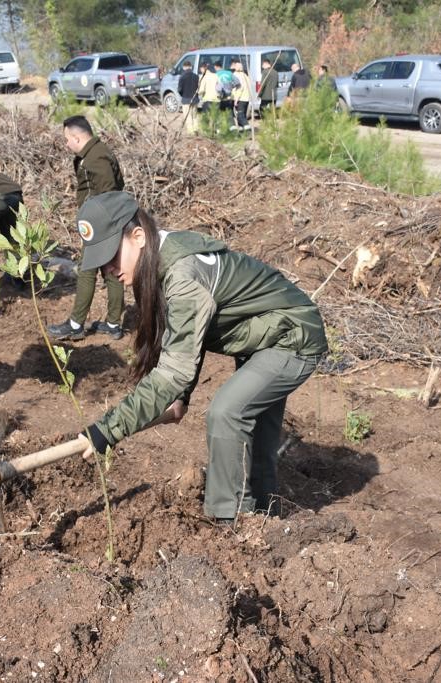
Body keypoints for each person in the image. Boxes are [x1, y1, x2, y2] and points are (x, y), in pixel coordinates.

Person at [73, 192, 327, 522]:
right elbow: (188, 336)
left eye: (111, 255)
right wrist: (180, 397)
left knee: (226, 413)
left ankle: (229, 523)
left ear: (137, 236)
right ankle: (265, 520)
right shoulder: (161, 263)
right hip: (263, 338)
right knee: (257, 443)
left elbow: (174, 369)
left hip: (291, 335)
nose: (108, 269)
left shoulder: (181, 274)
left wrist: (107, 430)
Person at [46, 116, 126, 341]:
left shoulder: (95, 158)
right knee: (112, 271)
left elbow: (108, 193)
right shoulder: (96, 153)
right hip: (107, 222)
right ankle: (113, 324)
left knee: (87, 272)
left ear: (76, 137)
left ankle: (75, 324)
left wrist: (94, 228)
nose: (66, 144)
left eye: (67, 139)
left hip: (101, 225)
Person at [177, 60, 199, 133]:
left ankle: (191, 132)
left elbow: (179, 90)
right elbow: (198, 88)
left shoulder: (182, 77)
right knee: (194, 116)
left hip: (186, 100)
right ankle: (196, 130)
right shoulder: (196, 76)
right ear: (191, 67)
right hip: (195, 99)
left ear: (184, 67)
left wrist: (183, 95)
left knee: (188, 116)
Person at [230, 60, 253, 131]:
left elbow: (240, 88)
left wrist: (236, 99)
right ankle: (242, 131)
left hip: (240, 98)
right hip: (246, 98)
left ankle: (248, 129)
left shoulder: (236, 75)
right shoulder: (245, 75)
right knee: (243, 115)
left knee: (240, 116)